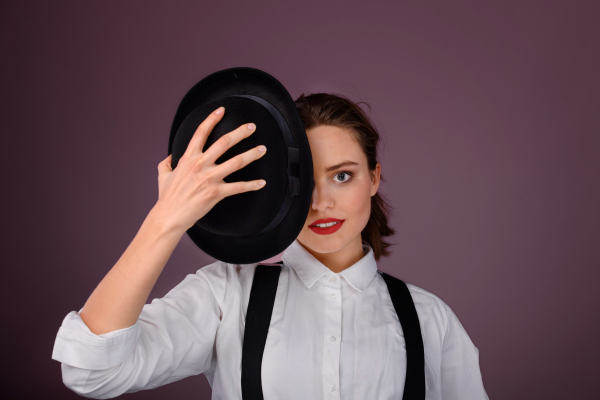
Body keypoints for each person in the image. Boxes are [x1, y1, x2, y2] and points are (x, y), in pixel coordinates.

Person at [52, 93, 489, 399]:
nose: (320, 202)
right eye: (303, 182)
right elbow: (92, 370)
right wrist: (166, 218)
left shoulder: (430, 320)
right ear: (282, 188)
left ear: (374, 178)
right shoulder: (227, 295)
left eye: (342, 175)